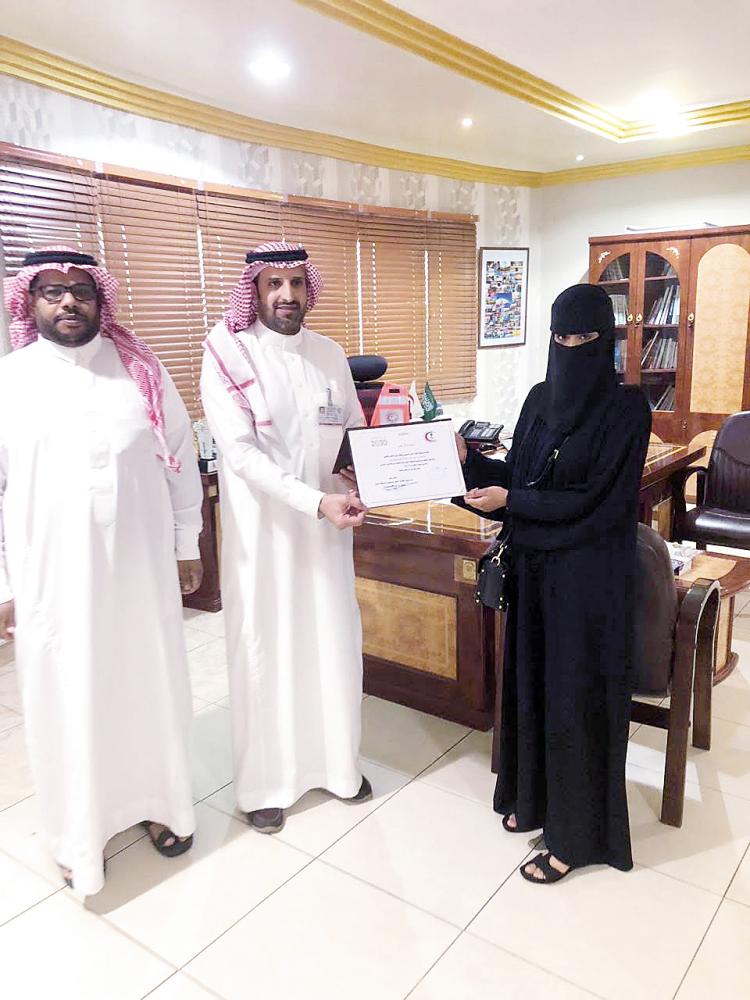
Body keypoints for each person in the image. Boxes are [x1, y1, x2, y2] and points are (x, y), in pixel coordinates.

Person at [0, 247, 203, 894]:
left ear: (100, 299)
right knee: (68, 696)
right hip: (51, 583)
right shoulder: (10, 380)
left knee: (149, 686)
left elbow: (180, 458)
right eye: (52, 291)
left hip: (141, 572)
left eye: (81, 290)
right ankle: (76, 836)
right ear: (29, 301)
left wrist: (187, 544)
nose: (68, 301)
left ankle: (162, 805)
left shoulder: (141, 370)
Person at [459, 283, 651, 883]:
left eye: (584, 337)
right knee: (533, 687)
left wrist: (513, 499)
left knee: (575, 702)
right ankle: (533, 800)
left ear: (605, 340)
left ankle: (575, 837)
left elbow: (599, 501)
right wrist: (463, 462)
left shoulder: (628, 409)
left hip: (589, 583)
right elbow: (519, 477)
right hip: (535, 570)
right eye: (560, 337)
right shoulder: (539, 399)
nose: (570, 348)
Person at [201, 240, 371, 834]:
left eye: (296, 282)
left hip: (329, 534)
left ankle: (337, 767)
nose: (286, 294)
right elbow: (241, 455)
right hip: (265, 538)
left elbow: (351, 431)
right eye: (273, 283)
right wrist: (314, 501)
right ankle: (264, 787)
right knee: (266, 652)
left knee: (332, 645)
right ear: (254, 288)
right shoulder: (229, 353)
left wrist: (361, 474)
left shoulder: (329, 353)